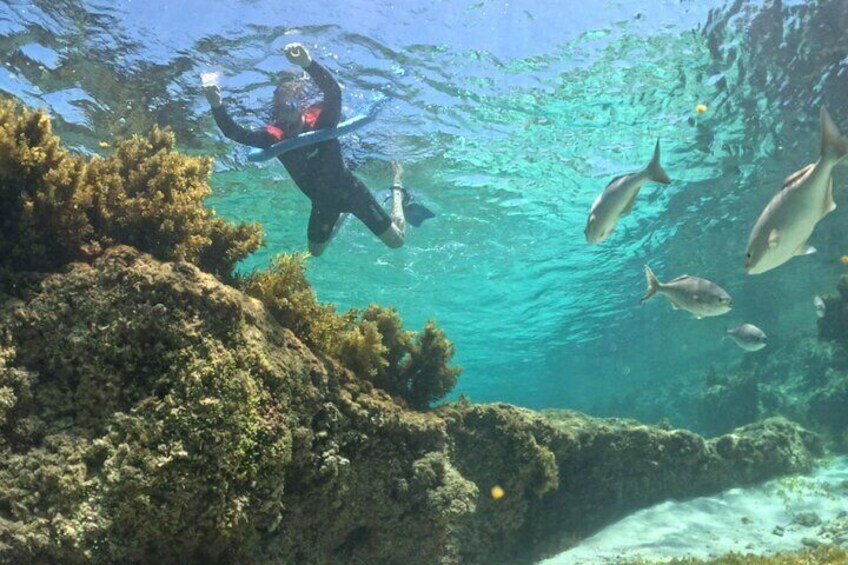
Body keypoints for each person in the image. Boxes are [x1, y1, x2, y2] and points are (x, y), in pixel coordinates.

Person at [203, 42, 405, 256]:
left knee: (396, 242)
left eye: (289, 108)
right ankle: (343, 215)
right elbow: (235, 133)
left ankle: (398, 187)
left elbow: (333, 92)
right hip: (322, 203)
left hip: (352, 192)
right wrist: (217, 105)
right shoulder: (273, 138)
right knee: (315, 251)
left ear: (300, 107)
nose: (286, 119)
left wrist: (307, 63)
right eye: (279, 112)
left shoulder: (322, 123)